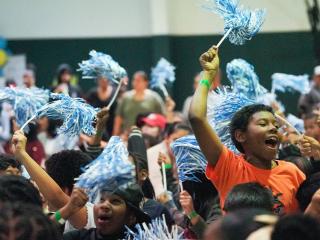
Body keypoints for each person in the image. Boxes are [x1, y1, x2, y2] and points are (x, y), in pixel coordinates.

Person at [189, 46, 305, 215]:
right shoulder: (229, 167)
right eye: (263, 123)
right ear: (240, 135)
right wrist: (208, 75)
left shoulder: (292, 172)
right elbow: (196, 118)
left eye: (275, 124)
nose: (273, 127)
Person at [62, 183, 151, 240]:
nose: (104, 205)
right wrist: (67, 211)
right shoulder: (78, 237)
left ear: (131, 217)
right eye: (101, 200)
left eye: (115, 201)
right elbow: (48, 233)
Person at [147, 122, 192, 198]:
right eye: (176, 139)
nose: (180, 144)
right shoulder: (153, 154)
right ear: (167, 139)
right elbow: (159, 192)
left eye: (184, 141)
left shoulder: (190, 154)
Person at [113, 71, 165, 135]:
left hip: (147, 137)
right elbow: (118, 118)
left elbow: (162, 118)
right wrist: (115, 136)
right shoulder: (126, 97)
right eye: (134, 80)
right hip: (127, 135)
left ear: (146, 82)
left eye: (139, 81)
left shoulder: (154, 98)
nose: (135, 83)